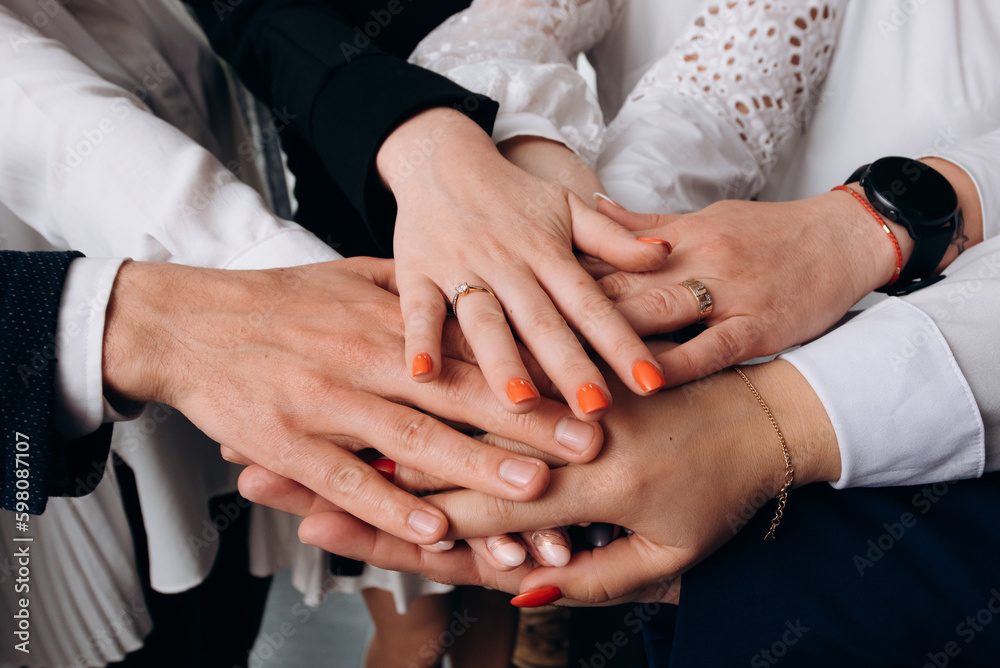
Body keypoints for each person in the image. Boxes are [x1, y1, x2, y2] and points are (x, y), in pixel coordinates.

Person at [240, 0, 1000, 664]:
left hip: (915, 479)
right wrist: (557, 223)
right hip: (654, 411)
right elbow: (722, 93)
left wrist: (861, 236)